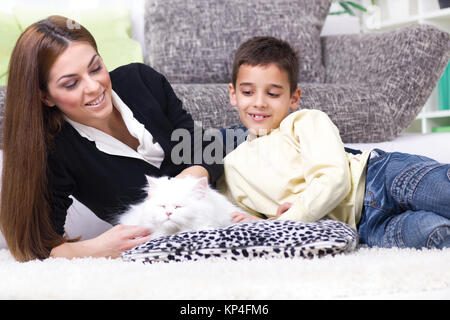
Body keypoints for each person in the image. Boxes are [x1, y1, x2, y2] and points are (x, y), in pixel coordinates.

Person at [0, 16, 223, 262]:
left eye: (95, 68)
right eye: (72, 83)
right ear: (45, 97)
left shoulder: (141, 80)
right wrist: (92, 249)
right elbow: (37, 247)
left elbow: (203, 144)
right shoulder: (55, 152)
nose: (94, 87)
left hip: (231, 186)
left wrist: (185, 183)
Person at [220, 36, 450, 249]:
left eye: (272, 94)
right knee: (435, 233)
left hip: (379, 177)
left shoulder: (303, 122)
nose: (259, 103)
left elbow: (334, 178)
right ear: (233, 94)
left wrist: (287, 220)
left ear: (294, 98)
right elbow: (250, 220)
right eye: (248, 92)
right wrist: (260, 223)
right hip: (365, 226)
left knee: (443, 194)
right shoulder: (230, 169)